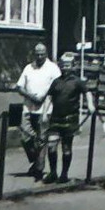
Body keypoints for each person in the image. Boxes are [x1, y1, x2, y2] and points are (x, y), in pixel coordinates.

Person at [41, 51, 94, 184]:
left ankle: (64, 174)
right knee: (51, 145)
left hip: (70, 119)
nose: (65, 67)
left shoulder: (77, 82)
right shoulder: (56, 82)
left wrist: (91, 105)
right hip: (55, 119)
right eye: (63, 65)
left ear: (73, 66)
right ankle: (53, 173)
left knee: (66, 148)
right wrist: (44, 114)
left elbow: (87, 92)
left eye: (68, 65)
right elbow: (49, 97)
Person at [14, 42, 61, 181]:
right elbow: (19, 86)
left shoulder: (53, 68)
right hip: (28, 108)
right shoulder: (29, 67)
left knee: (41, 140)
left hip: (45, 109)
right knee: (25, 138)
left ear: (46, 53)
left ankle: (39, 170)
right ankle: (36, 162)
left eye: (42, 54)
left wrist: (43, 97)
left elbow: (57, 87)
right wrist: (31, 97)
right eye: (37, 54)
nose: (39, 56)